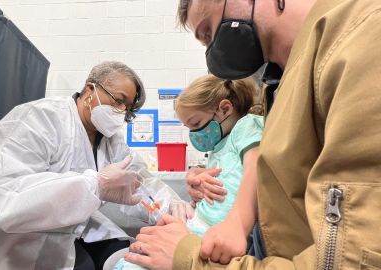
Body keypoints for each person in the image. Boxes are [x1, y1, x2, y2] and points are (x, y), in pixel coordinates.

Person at [125, 0, 381, 269]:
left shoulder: (360, 40)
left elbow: (348, 258)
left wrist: (189, 257)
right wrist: (201, 176)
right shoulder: (277, 84)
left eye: (209, 32)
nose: (214, 53)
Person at [0, 61, 182, 270]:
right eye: (118, 100)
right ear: (90, 89)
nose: (121, 112)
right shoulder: (40, 119)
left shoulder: (110, 140)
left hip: (75, 230)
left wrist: (172, 207)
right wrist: (93, 186)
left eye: (128, 108)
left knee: (127, 255)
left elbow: (139, 180)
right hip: (18, 239)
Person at [114, 75, 263, 270]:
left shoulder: (247, 126)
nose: (194, 135)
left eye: (195, 123)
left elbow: (256, 166)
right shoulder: (219, 145)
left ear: (225, 109)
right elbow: (227, 173)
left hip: (216, 234)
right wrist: (196, 174)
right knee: (128, 261)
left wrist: (239, 224)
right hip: (199, 226)